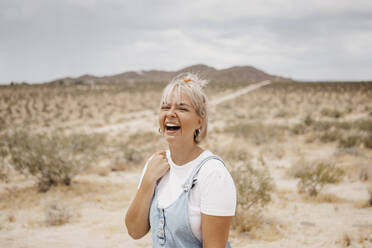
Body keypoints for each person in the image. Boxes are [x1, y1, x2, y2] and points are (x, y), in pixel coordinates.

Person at [125, 72, 236, 247]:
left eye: (182, 109)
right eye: (165, 107)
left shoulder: (213, 174)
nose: (170, 114)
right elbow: (134, 231)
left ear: (200, 121)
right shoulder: (155, 164)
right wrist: (148, 181)